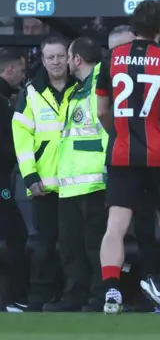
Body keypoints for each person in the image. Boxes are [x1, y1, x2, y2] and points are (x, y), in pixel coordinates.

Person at [94, 0, 160, 315]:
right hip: (159, 153)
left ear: (132, 27)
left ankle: (112, 292)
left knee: (115, 225)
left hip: (122, 152)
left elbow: (102, 110)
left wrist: (118, 133)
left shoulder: (110, 58)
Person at [12, 36, 77, 312]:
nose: (55, 62)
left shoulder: (83, 88)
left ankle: (74, 296)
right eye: (50, 57)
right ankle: (39, 297)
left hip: (79, 183)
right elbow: (22, 138)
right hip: (45, 184)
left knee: (76, 244)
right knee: (45, 245)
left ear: (70, 57)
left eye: (60, 56)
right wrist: (29, 176)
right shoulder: (31, 93)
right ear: (43, 59)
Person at [47, 37, 107, 312]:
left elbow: (107, 133)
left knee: (95, 246)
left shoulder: (100, 87)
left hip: (95, 182)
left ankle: (100, 297)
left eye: (68, 57)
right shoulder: (78, 90)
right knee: (71, 246)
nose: (67, 62)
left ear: (78, 60)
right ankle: (74, 295)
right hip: (70, 184)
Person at [107, 24, 160, 312]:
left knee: (147, 230)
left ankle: (152, 291)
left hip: (148, 159)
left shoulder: (154, 74)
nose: (127, 56)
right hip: (117, 162)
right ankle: (110, 292)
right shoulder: (103, 76)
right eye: (119, 51)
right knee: (114, 229)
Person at [0, 48, 30, 313]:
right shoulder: (3, 103)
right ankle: (12, 299)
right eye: (20, 71)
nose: (22, 77)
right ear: (9, 71)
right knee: (16, 234)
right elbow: (9, 147)